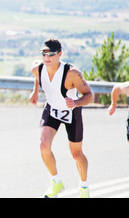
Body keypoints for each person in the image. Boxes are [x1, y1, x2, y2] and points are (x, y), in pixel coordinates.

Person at [29, 39, 94, 198]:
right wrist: (36, 92)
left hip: (71, 112)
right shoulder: (37, 69)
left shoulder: (72, 74)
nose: (47, 57)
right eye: (44, 53)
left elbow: (90, 96)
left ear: (59, 54)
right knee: (43, 145)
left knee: (76, 154)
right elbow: (38, 76)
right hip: (51, 109)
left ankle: (84, 187)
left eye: (51, 54)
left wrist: (76, 103)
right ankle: (56, 181)